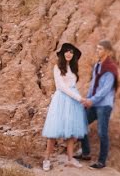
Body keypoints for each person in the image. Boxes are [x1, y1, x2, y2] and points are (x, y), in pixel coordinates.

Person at [41, 42, 88, 171]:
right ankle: (46, 159)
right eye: (67, 51)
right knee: (53, 132)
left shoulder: (73, 69)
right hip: (62, 100)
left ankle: (70, 159)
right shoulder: (57, 67)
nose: (69, 54)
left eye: (71, 52)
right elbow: (61, 87)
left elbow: (72, 85)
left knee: (71, 132)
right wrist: (79, 98)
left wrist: (78, 99)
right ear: (62, 53)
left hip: (73, 101)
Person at [75, 39, 118, 170]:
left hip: (104, 105)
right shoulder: (97, 66)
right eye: (97, 48)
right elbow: (93, 85)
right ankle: (86, 153)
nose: (97, 50)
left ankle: (101, 161)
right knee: (81, 123)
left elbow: (105, 89)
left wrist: (91, 100)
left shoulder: (111, 68)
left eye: (100, 49)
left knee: (102, 132)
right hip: (93, 102)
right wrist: (87, 100)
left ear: (108, 52)